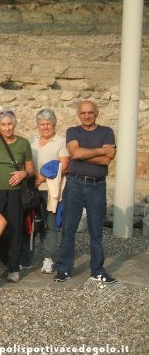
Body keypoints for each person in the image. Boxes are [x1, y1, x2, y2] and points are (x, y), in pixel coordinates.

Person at [54, 100, 116, 283]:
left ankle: (97, 270)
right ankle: (64, 269)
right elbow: (76, 154)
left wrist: (84, 154)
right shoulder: (73, 132)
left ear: (97, 113)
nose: (87, 116)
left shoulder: (107, 132)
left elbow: (108, 159)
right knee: (68, 228)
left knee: (96, 231)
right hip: (75, 184)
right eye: (83, 113)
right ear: (78, 114)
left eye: (90, 113)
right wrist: (100, 150)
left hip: (97, 185)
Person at [0, 109, 34, 284]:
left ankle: (14, 268)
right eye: (3, 125)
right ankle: (4, 262)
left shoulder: (23, 143)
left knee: (15, 228)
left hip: (15, 193)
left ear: (14, 125)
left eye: (10, 124)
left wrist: (23, 174)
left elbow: (30, 170)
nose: (7, 128)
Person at [29, 109, 70, 274]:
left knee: (50, 224)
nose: (45, 127)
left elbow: (64, 166)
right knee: (32, 223)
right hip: (32, 190)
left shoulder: (61, 142)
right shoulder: (31, 141)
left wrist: (43, 178)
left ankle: (48, 257)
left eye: (48, 123)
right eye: (42, 124)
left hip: (50, 190)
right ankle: (27, 257)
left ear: (54, 124)